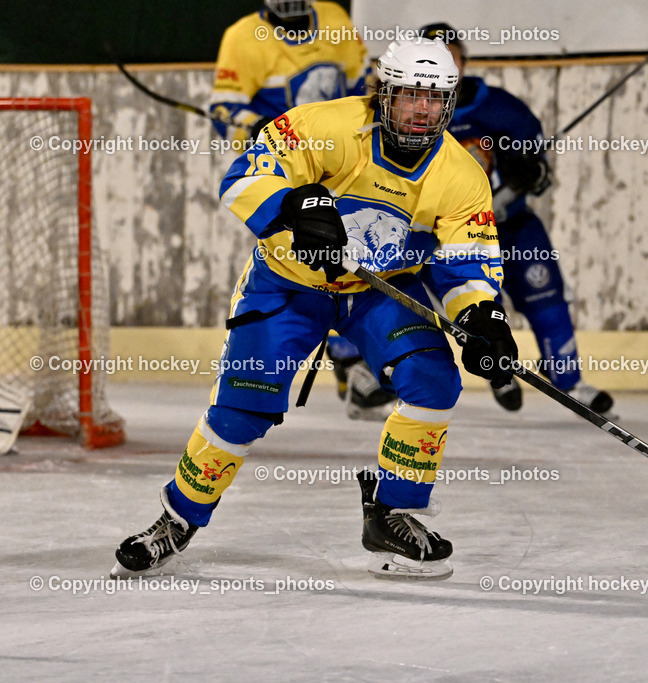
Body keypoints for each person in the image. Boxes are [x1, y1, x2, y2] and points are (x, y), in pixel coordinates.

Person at [112, 37, 517, 581]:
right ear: (383, 92)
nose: (422, 109)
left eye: (435, 98)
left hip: (379, 292)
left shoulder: (461, 175)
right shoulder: (324, 125)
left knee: (433, 380)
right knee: (241, 408)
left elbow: (466, 264)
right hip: (288, 286)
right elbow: (244, 177)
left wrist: (482, 317)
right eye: (410, 95)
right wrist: (294, 204)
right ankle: (177, 519)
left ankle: (392, 514)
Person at [209, 0, 390, 419]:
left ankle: (353, 368)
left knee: (354, 256)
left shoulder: (335, 18)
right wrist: (253, 125)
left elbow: (366, 85)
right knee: (309, 265)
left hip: (347, 165)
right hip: (290, 172)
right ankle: (344, 368)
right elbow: (224, 110)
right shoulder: (243, 37)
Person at [420, 23, 613, 414]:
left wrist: (531, 172)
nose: (445, 65)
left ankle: (568, 379)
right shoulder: (414, 113)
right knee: (479, 305)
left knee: (547, 298)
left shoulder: (501, 108)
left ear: (464, 61)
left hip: (513, 227)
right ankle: (499, 371)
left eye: (452, 56)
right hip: (453, 235)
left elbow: (538, 173)